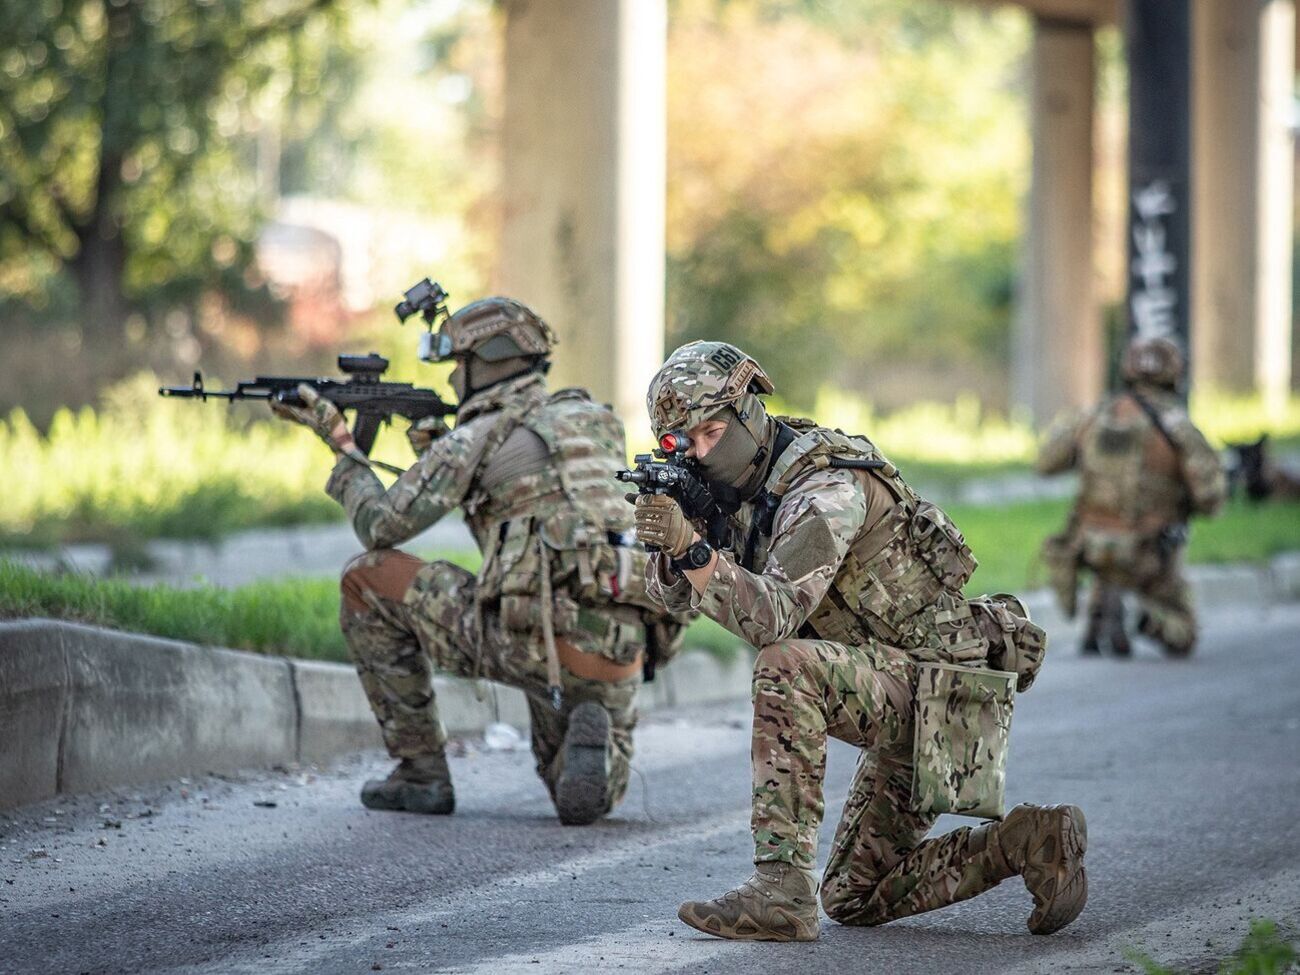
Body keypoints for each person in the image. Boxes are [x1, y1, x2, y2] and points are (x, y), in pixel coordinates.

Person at [633, 340, 1086, 942]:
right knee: (854, 895)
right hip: (900, 684)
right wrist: (675, 542)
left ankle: (780, 892)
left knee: (785, 664)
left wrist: (693, 547)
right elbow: (674, 600)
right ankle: (1032, 841)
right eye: (684, 444)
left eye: (711, 433)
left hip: (943, 697)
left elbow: (773, 618)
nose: (699, 453)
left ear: (749, 415)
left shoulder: (825, 491)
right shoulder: (741, 489)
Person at [271, 296, 684, 825]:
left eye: (457, 368)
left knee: (365, 579)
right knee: (579, 790)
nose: (450, 384)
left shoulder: (472, 441)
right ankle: (597, 748)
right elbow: (531, 514)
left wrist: (342, 445)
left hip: (530, 638)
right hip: (620, 643)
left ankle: (420, 775)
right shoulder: (595, 423)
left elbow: (380, 525)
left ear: (485, 362)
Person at [1037, 336, 1226, 658]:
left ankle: (1101, 610)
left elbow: (1045, 463)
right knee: (1185, 636)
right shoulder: (1178, 427)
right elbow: (1210, 497)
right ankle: (1143, 616)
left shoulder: (1093, 417)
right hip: (1149, 552)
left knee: (1106, 557)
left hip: (1092, 547)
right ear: (1174, 373)